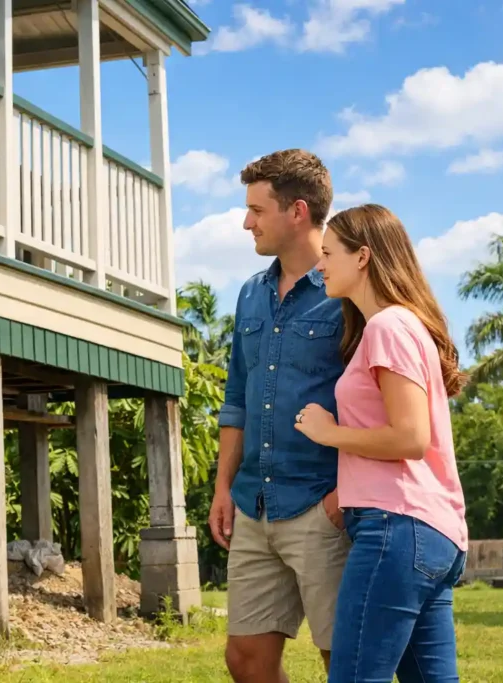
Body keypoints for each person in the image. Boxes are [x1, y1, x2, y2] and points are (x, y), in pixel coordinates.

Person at [294, 204, 469, 682]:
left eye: (328, 253)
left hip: (396, 528)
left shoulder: (389, 326)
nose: (319, 264)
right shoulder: (404, 325)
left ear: (363, 257)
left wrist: (328, 433)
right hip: (432, 535)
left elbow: (411, 438)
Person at [210, 149, 351, 682]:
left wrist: (346, 490)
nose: (247, 222)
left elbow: (378, 398)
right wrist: (224, 487)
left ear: (296, 211)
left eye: (256, 210)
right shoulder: (251, 294)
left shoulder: (348, 293)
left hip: (323, 504)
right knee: (245, 658)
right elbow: (237, 400)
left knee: (344, 661)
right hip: (254, 504)